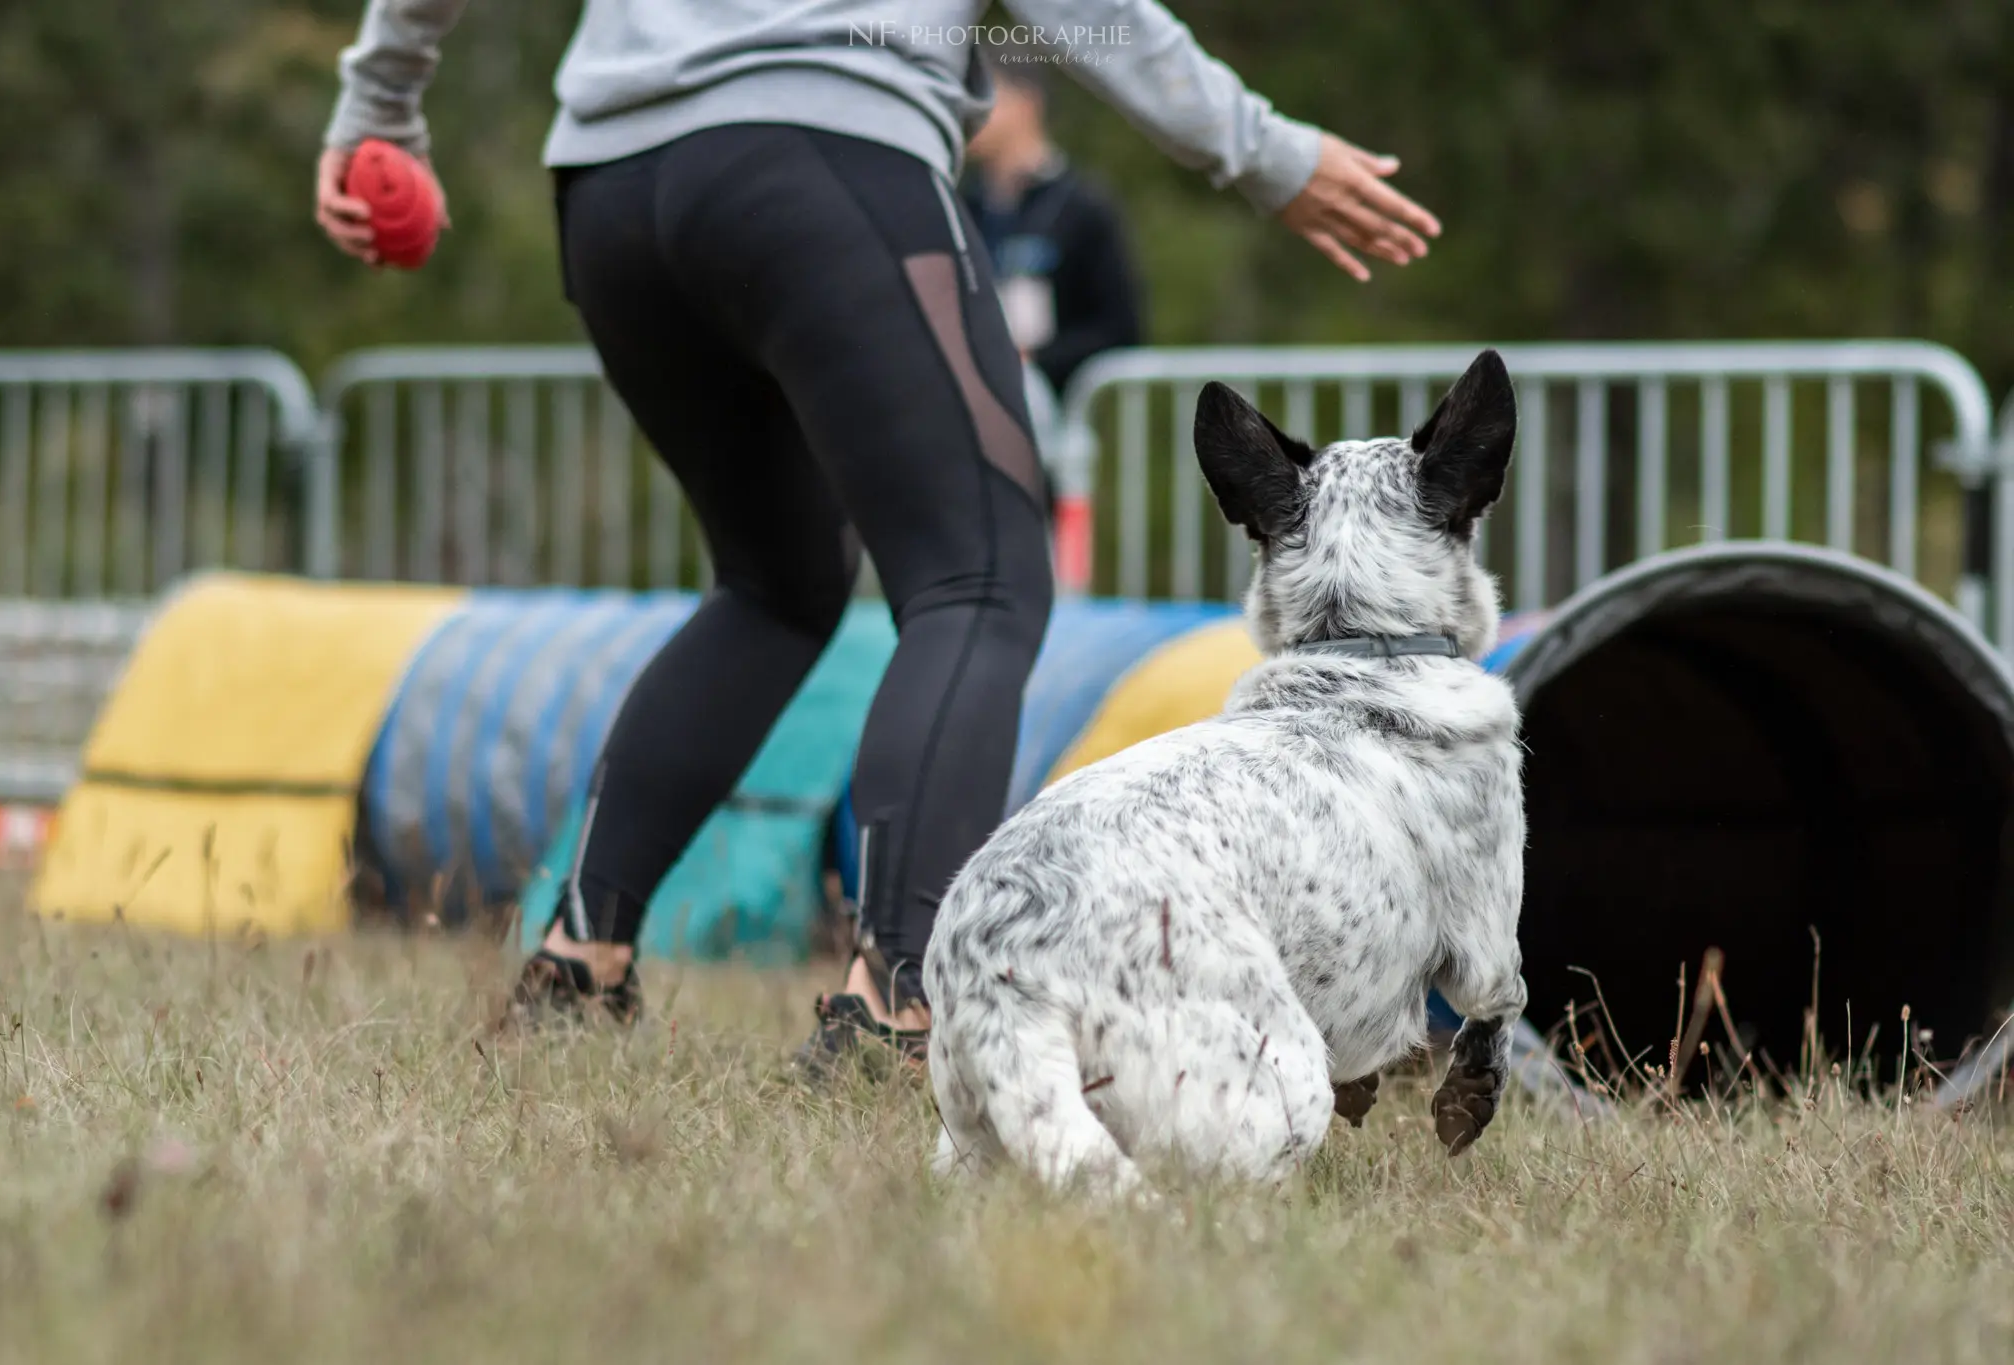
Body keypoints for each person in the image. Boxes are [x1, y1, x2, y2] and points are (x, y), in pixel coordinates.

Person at [315, 2, 1441, 1072]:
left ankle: (579, 956)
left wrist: (378, 107)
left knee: (777, 585)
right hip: (822, 155)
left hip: (612, 196)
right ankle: (898, 999)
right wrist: (1262, 151)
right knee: (985, 576)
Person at [963, 52, 1143, 402]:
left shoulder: (1083, 207)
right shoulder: (961, 205)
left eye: (983, 93)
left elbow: (1120, 329)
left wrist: (1033, 362)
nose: (968, 110)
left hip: (1051, 416)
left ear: (1027, 103)